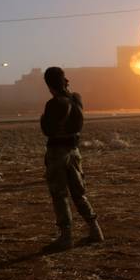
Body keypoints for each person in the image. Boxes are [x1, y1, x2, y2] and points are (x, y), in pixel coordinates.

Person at [40, 66, 104, 252]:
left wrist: (43, 119)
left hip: (57, 152)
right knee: (79, 193)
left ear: (49, 84)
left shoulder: (53, 104)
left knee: (59, 195)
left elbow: (47, 130)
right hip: (74, 151)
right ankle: (95, 230)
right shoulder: (76, 99)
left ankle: (66, 237)